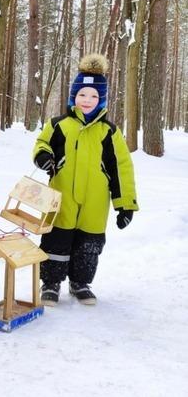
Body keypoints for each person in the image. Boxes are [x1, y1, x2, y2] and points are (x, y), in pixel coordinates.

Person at [33, 53, 138, 307]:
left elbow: (121, 168)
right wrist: (44, 157)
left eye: (93, 96)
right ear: (73, 96)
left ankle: (80, 282)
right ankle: (51, 282)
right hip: (62, 197)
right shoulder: (58, 124)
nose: (87, 100)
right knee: (56, 239)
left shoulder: (109, 132)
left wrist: (125, 204)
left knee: (88, 244)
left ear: (101, 99)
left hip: (95, 201)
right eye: (82, 94)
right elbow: (41, 144)